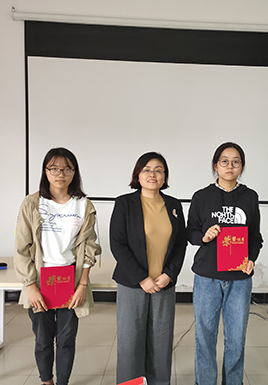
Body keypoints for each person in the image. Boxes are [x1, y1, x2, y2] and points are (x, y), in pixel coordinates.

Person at [14, 147, 101, 385]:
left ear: (75, 172)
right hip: (40, 279)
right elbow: (22, 247)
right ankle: (47, 381)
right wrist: (30, 286)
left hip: (70, 279)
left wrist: (82, 285)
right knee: (43, 339)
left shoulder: (83, 205)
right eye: (54, 168)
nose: (60, 173)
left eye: (67, 169)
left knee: (66, 340)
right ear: (45, 171)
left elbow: (89, 247)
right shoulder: (32, 203)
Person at [187, 142, 263, 385]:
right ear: (215, 165)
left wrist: (251, 259)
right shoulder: (201, 196)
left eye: (236, 162)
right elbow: (190, 233)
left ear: (242, 166)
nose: (230, 166)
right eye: (224, 161)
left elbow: (255, 237)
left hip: (239, 279)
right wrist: (204, 236)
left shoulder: (250, 197)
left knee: (236, 339)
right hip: (207, 276)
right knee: (205, 337)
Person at [109, 152, 187, 385]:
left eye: (159, 170)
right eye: (147, 169)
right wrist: (142, 278)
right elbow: (118, 244)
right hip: (133, 284)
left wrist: (170, 274)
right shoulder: (124, 203)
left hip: (163, 284)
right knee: (130, 342)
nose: (153, 174)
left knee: (161, 343)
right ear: (138, 174)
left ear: (165, 176)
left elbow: (180, 243)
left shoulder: (173, 205)